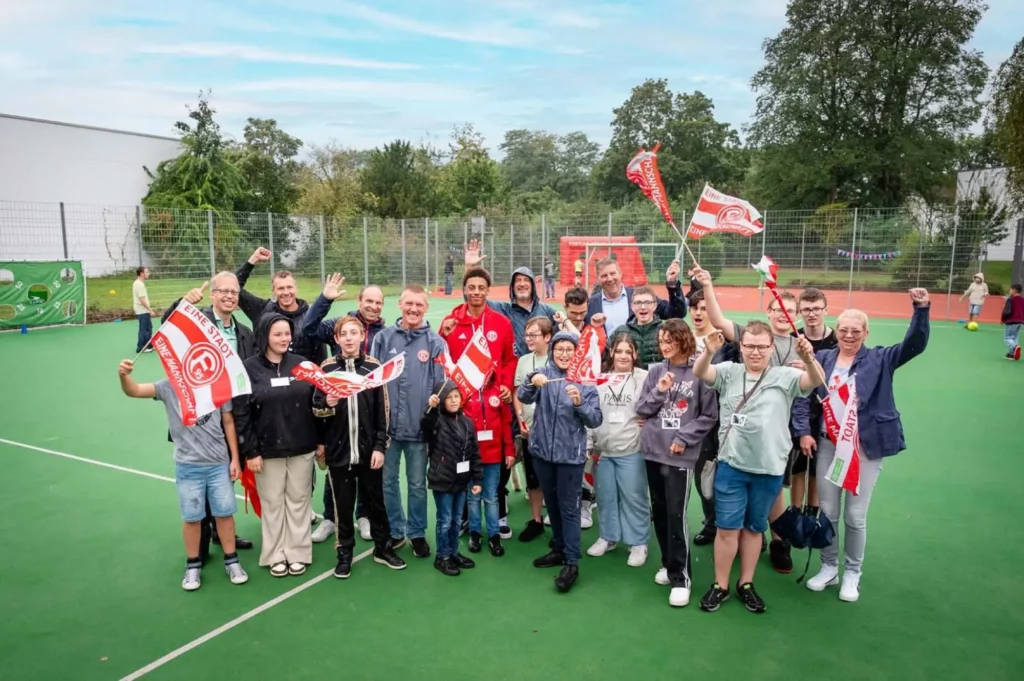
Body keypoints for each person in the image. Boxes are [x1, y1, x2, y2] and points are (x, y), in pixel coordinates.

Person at [796, 290, 931, 601]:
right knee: (827, 511)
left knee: (855, 516)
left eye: (856, 331)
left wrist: (921, 309)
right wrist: (804, 431)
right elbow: (806, 396)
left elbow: (915, 344)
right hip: (829, 445)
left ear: (866, 333)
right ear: (836, 331)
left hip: (865, 448)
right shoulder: (824, 358)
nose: (849, 336)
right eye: (843, 330)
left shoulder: (880, 358)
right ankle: (829, 567)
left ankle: (852, 572)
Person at [694, 321, 824, 614]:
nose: (755, 352)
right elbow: (702, 373)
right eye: (749, 346)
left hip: (769, 470)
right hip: (732, 466)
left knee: (754, 529)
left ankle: (746, 583)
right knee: (727, 529)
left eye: (761, 347)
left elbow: (814, 381)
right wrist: (708, 352)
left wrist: (808, 359)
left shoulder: (786, 376)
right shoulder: (729, 371)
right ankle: (720, 585)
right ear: (741, 347)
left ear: (771, 347)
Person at [695, 268, 804, 572]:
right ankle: (743, 544)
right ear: (769, 312)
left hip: (785, 429)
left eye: (791, 310)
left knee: (775, 489)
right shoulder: (752, 335)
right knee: (746, 483)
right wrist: (707, 285)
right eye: (779, 309)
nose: (785, 315)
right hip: (742, 431)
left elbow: (816, 382)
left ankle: (778, 541)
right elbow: (718, 320)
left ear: (796, 315)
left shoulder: (802, 344)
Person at [117, 359, 249, 591]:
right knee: (192, 517)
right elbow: (135, 390)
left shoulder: (218, 384)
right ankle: (193, 566)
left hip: (219, 463)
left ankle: (232, 561)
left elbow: (228, 422)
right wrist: (123, 376)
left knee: (224, 514)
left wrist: (235, 459)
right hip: (188, 466)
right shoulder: (169, 387)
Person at [162, 273, 256, 559]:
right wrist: (181, 304)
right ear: (213, 294)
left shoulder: (246, 333)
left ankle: (220, 532)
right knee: (199, 483)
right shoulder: (195, 321)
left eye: (234, 292)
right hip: (200, 418)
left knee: (225, 474)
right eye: (224, 291)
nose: (230, 296)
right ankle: (199, 546)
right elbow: (168, 328)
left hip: (232, 414)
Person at [312, 316, 406, 578]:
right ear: (337, 338)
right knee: (342, 507)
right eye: (345, 333)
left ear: (363, 336)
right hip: (339, 452)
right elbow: (316, 409)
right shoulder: (327, 368)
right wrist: (327, 404)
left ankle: (383, 548)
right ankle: (345, 554)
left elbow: (381, 410)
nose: (350, 338)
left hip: (368, 452)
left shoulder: (374, 367)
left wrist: (379, 447)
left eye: (355, 332)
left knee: (376, 502)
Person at [635, 319, 719, 607]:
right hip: (652, 451)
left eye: (670, 339)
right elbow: (642, 408)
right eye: (661, 340)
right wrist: (659, 390)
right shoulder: (657, 370)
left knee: (676, 513)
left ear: (684, 339)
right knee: (658, 511)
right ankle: (668, 563)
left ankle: (682, 577)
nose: (664, 345)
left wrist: (684, 437)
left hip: (680, 455)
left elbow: (709, 416)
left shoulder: (699, 372)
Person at [234, 314, 322, 577]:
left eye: (287, 334)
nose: (284, 339)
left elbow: (317, 403)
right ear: (265, 336)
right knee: (272, 503)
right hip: (266, 451)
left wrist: (320, 441)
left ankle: (297, 552)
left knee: (299, 500)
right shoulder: (248, 369)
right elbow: (241, 413)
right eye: (278, 334)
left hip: (302, 447)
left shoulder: (303, 364)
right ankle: (275, 555)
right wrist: (250, 451)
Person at [303, 275, 386, 544]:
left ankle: (363, 515)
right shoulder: (340, 326)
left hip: (368, 412)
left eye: (378, 302)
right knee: (338, 471)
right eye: (368, 301)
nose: (373, 306)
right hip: (338, 417)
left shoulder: (385, 333)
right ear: (359, 301)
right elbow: (308, 328)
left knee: (365, 469)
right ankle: (330, 517)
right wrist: (325, 299)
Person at [519, 330, 603, 593]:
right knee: (552, 504)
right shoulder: (544, 373)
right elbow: (523, 396)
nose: (564, 354)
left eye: (569, 349)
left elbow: (595, 419)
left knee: (569, 509)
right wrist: (533, 380)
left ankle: (572, 562)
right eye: (560, 349)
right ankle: (558, 547)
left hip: (570, 456)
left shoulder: (584, 380)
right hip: (543, 452)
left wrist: (579, 404)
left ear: (576, 352)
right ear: (552, 350)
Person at [439, 268, 516, 554]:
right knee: (470, 486)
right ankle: (470, 527)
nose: (476, 292)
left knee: (491, 489)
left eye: (481, 287)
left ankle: (493, 531)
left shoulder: (501, 323)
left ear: (488, 290)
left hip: (494, 405)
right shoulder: (452, 323)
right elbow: (443, 359)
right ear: (464, 289)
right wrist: (443, 332)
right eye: (471, 287)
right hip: (465, 412)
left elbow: (510, 359)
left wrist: (505, 386)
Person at [371, 285, 447, 558]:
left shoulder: (436, 343)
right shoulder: (383, 338)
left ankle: (416, 532)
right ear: (399, 304)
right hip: (388, 431)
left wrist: (433, 426)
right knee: (388, 482)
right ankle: (395, 529)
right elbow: (374, 383)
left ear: (426, 308)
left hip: (419, 430)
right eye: (409, 304)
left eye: (419, 305)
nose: (413, 309)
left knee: (416, 484)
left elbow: (441, 386)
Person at [585, 334, 651, 569]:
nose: (623, 356)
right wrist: (590, 444)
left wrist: (649, 421)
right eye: (619, 351)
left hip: (631, 449)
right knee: (605, 496)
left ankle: (638, 542)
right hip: (604, 450)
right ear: (611, 353)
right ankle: (608, 537)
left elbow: (659, 403)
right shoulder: (599, 379)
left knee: (634, 497)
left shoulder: (645, 378)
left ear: (635, 355)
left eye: (628, 351)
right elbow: (592, 413)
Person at [423, 383, 483, 576]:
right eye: (449, 397)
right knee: (445, 520)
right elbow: (425, 425)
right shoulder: (437, 419)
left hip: (461, 481)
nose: (454, 400)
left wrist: (477, 479)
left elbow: (474, 453)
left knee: (456, 521)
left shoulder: (467, 423)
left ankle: (453, 552)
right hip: (442, 480)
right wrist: (430, 409)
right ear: (441, 400)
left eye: (456, 396)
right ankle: (442, 556)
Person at [789, 288, 839, 519]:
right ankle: (796, 510)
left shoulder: (838, 340)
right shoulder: (794, 338)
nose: (812, 314)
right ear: (800, 312)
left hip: (828, 411)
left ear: (826, 310)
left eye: (817, 309)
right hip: (799, 408)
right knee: (798, 463)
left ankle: (813, 510)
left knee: (819, 463)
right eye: (806, 309)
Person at [235, 247, 323, 364]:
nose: (286, 292)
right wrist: (253, 260)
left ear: (296, 289)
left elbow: (320, 355)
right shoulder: (262, 310)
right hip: (266, 376)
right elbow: (234, 287)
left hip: (301, 379)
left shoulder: (310, 316)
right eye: (280, 288)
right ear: (273, 291)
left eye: (289, 287)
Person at [513, 317, 552, 543]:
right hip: (529, 431)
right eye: (527, 335)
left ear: (547, 337)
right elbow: (518, 391)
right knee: (533, 478)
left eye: (533, 335)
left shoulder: (556, 359)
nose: (528, 339)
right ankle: (536, 520)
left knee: (552, 479)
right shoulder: (524, 360)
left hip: (552, 432)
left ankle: (556, 522)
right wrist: (520, 418)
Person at [585, 258, 686, 334]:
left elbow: (676, 313)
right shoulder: (591, 304)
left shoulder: (640, 297)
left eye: (613, 273)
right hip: (605, 360)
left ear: (620, 273)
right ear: (597, 279)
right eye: (604, 276)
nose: (610, 279)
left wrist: (672, 282)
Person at [610, 285, 668, 367]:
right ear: (632, 306)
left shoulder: (665, 330)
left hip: (657, 378)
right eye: (638, 303)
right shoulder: (620, 331)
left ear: (654, 305)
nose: (643, 307)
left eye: (648, 302)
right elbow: (605, 357)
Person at [132, 266, 154, 353]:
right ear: (141, 273)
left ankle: (148, 345)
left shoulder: (138, 283)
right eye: (147, 272)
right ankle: (140, 347)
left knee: (148, 328)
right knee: (144, 329)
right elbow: (142, 300)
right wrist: (150, 310)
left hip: (142, 310)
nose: (149, 274)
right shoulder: (139, 284)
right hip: (142, 310)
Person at [1000, 284, 1024, 361]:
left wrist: (1003, 319)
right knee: (1014, 337)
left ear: (1014, 290)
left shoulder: (1010, 300)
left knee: (1007, 338)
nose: (1009, 291)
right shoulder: (1022, 300)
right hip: (1020, 321)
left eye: (1010, 290)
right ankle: (1011, 354)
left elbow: (1006, 311)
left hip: (1011, 321)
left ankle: (1015, 347)